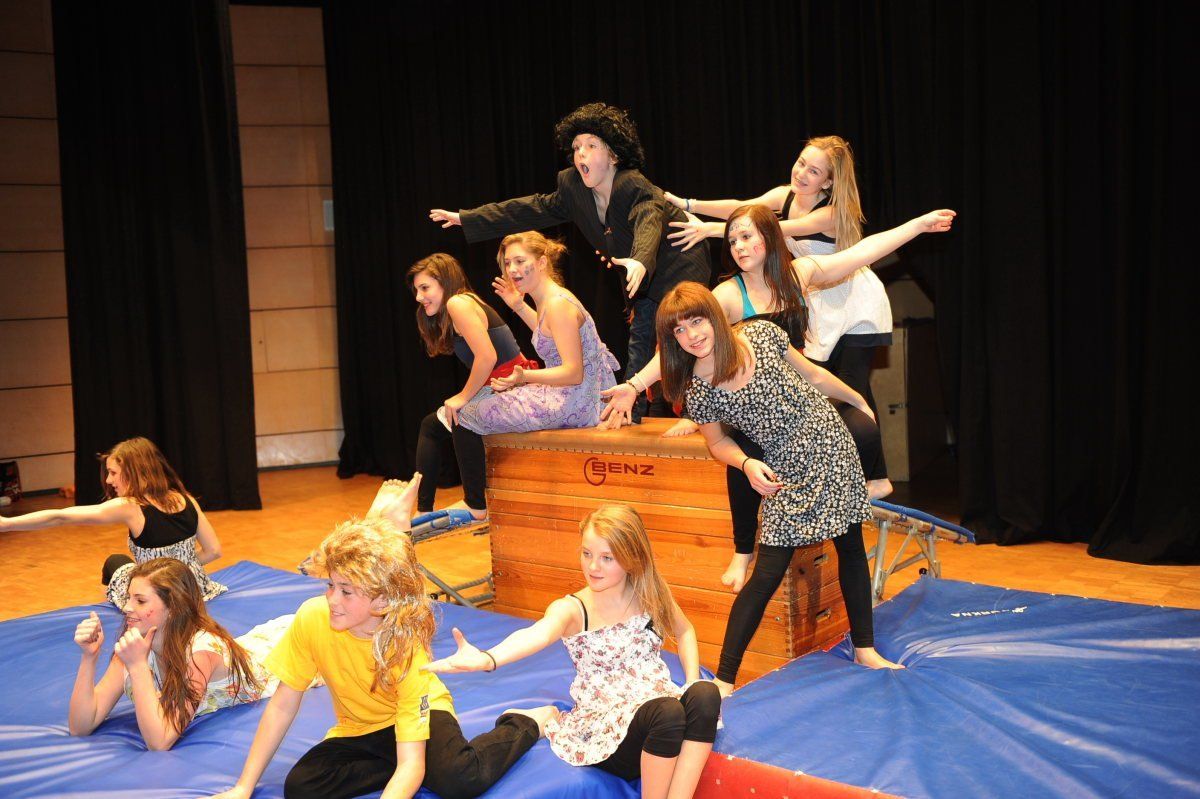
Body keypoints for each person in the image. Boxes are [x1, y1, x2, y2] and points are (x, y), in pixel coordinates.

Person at [602, 207, 956, 592]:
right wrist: (634, 384)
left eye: (747, 237)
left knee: (865, 430)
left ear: (769, 238)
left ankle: (838, 497)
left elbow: (863, 252)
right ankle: (743, 549)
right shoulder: (729, 294)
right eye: (732, 240)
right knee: (745, 452)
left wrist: (918, 225)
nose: (738, 246)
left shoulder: (798, 274)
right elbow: (678, 344)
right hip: (753, 402)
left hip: (799, 393)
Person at [650, 281, 921, 695]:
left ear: (714, 317)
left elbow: (814, 375)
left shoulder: (760, 334)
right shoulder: (699, 390)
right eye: (679, 330)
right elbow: (718, 444)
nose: (692, 335)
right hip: (785, 471)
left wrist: (858, 402)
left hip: (830, 445)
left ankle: (865, 649)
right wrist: (746, 463)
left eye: (696, 321)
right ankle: (724, 679)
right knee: (766, 573)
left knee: (850, 547)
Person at [210, 474, 554, 799]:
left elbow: (411, 764)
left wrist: (412, 769)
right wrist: (243, 786)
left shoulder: (404, 647)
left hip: (423, 714)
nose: (332, 599)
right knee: (302, 787)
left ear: (383, 602)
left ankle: (526, 722)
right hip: (361, 728)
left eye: (346, 591)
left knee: (460, 778)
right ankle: (393, 524)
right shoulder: (312, 617)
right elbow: (283, 703)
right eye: (330, 585)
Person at [430, 102, 710, 421]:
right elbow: (527, 209)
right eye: (576, 147)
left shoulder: (633, 183)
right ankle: (630, 418)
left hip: (680, 261)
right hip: (640, 276)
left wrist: (641, 260)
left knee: (684, 337)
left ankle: (698, 414)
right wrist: (466, 218)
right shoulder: (574, 190)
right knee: (640, 345)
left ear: (613, 155)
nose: (581, 154)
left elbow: (648, 218)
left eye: (591, 146)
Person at [425, 504, 721, 799]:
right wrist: (488, 658)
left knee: (706, 693)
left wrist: (690, 680)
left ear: (632, 558)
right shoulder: (574, 609)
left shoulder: (649, 592)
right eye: (587, 554)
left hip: (654, 702)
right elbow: (538, 634)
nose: (593, 567)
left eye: (606, 558)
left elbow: (685, 630)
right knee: (667, 712)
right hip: (609, 729)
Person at [665, 135, 891, 420]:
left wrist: (709, 230)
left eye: (814, 171)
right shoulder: (785, 196)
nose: (802, 173)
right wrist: (688, 204)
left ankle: (867, 448)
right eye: (801, 163)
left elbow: (769, 230)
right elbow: (741, 207)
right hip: (821, 296)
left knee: (851, 391)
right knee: (825, 385)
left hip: (853, 299)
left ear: (827, 182)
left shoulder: (831, 213)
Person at [67, 557, 275, 750]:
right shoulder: (136, 642)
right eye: (128, 597)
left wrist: (138, 666)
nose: (126, 607)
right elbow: (80, 727)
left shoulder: (200, 653)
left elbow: (160, 741)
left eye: (140, 601)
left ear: (173, 607)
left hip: (271, 661)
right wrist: (89, 657)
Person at [0, 436, 224, 607]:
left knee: (114, 562)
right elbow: (214, 551)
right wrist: (180, 568)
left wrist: (7, 524)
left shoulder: (130, 506)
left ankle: (123, 609)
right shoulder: (186, 499)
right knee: (126, 564)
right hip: (194, 590)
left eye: (113, 473)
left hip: (157, 596)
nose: (108, 480)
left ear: (135, 472)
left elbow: (60, 517)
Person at [408, 253, 536, 519]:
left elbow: (487, 357)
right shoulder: (461, 303)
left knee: (458, 416)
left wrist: (463, 397)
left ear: (444, 281)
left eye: (425, 288)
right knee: (432, 425)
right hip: (505, 384)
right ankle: (425, 510)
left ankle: (475, 505)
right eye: (417, 290)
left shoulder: (458, 303)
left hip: (511, 386)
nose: (419, 297)